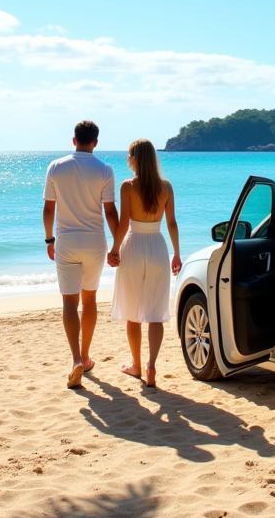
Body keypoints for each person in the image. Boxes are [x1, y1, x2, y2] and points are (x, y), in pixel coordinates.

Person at [43, 120, 118, 389]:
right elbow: (110, 212)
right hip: (94, 242)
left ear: (73, 140)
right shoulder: (105, 170)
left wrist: (49, 238)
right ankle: (86, 357)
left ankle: (75, 358)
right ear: (95, 142)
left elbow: (48, 209)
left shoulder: (56, 167)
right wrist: (117, 245)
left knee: (69, 302)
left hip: (67, 241)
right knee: (90, 300)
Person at [108, 139, 182, 388]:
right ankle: (151, 367)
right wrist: (177, 253)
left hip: (135, 246)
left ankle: (137, 365)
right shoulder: (167, 187)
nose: (127, 159)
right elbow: (171, 223)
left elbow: (125, 222)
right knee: (155, 313)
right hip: (158, 246)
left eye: (129, 155)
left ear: (135, 158)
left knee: (134, 312)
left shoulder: (128, 186)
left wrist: (114, 249)